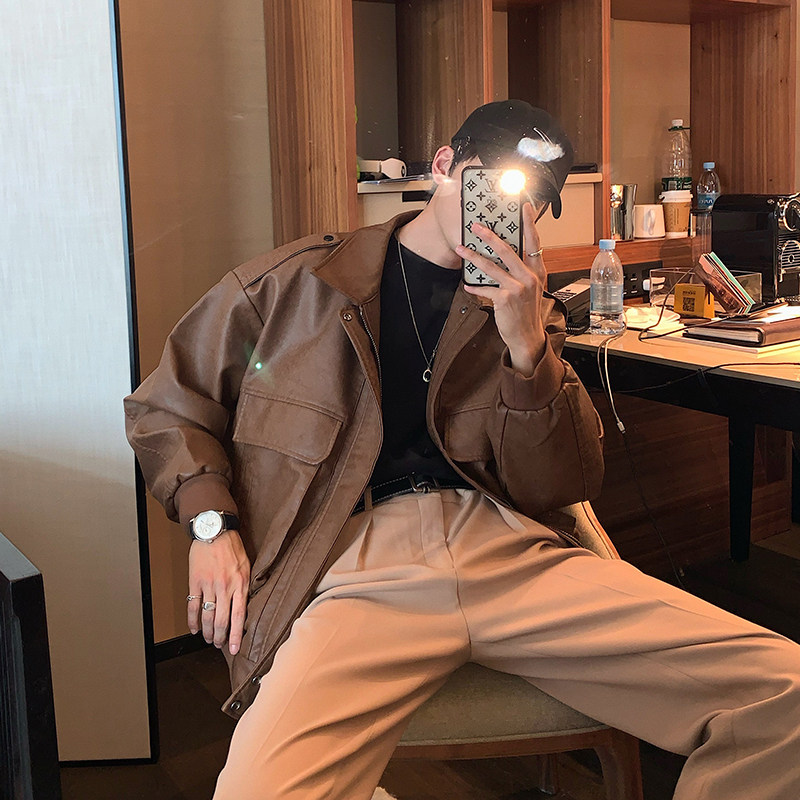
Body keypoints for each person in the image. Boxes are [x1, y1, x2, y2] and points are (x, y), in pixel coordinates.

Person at [125, 100, 800, 800]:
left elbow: (559, 483)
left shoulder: (526, 311)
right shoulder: (293, 286)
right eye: (496, 182)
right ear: (446, 166)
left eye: (530, 202)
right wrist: (211, 526)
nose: (510, 212)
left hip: (507, 548)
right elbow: (167, 406)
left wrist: (528, 348)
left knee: (784, 693)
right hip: (357, 561)